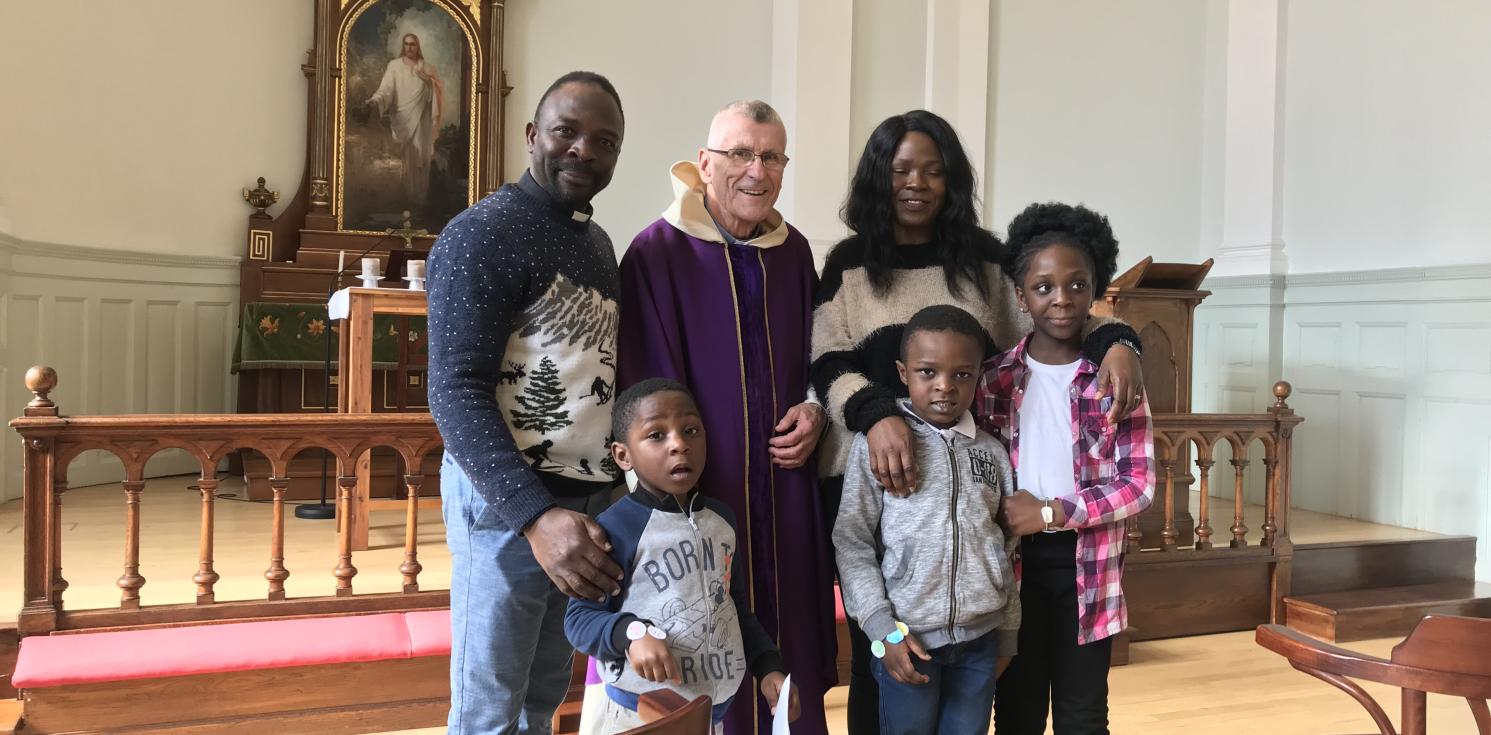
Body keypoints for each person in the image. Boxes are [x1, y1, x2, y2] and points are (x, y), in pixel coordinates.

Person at [809, 110, 1146, 734]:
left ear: (953, 181)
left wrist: (1120, 339)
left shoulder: (988, 260)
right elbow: (827, 358)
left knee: (974, 681)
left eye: (934, 171)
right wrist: (879, 416)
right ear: (877, 178)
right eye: (901, 169)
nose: (916, 183)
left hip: (972, 474)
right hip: (882, 475)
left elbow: (1054, 317)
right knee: (880, 662)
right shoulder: (850, 263)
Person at [616, 100, 836, 735]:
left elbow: (817, 359)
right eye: (741, 154)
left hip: (785, 488)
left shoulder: (793, 254)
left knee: (790, 635)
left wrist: (816, 410)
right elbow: (642, 394)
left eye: (771, 157)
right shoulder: (657, 254)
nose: (756, 171)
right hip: (698, 493)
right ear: (705, 163)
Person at [427, 71, 627, 735]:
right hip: (509, 506)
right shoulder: (480, 234)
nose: (582, 151)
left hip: (583, 503)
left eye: (603, 141)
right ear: (530, 135)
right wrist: (536, 518)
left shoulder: (595, 243)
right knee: (489, 711)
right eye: (566, 132)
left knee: (542, 700)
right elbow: (454, 387)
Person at [980, 202, 1156, 735]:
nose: (1061, 299)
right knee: (1016, 710)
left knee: (1083, 715)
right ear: (1020, 294)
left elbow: (1139, 485)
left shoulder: (1115, 379)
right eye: (1044, 287)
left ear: (1096, 289)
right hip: (1011, 570)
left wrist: (1054, 513)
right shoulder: (994, 379)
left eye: (1077, 285)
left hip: (1089, 569)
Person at [566, 379, 801, 733]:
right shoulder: (615, 528)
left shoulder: (723, 522)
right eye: (656, 435)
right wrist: (632, 633)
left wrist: (768, 667)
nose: (679, 444)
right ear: (623, 455)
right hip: (641, 716)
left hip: (709, 717)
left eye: (690, 430)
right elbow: (580, 619)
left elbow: (733, 608)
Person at [833, 305, 1020, 735]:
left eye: (962, 374)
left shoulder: (992, 452)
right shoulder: (878, 445)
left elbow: (1006, 547)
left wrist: (1007, 634)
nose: (944, 387)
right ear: (903, 372)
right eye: (927, 372)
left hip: (981, 641)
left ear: (978, 376)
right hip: (907, 641)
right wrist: (882, 631)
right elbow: (852, 541)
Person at [365, 33, 445, 204]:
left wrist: (427, 81)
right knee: (406, 161)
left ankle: (420, 199)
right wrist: (375, 100)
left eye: (413, 44)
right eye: (406, 44)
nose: (409, 47)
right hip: (402, 120)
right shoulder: (394, 66)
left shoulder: (426, 68)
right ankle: (405, 199)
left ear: (418, 47)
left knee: (421, 160)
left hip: (421, 121)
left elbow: (436, 92)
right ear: (403, 46)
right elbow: (386, 90)